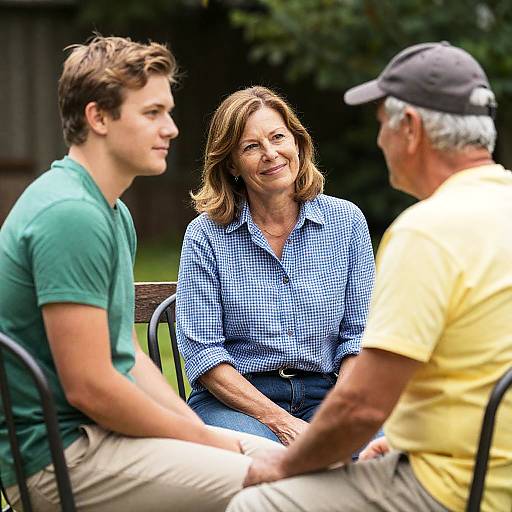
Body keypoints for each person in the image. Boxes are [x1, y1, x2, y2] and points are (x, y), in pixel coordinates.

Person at [227, 42, 512, 512]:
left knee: (255, 504)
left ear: (411, 130)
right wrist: (402, 446)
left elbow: (362, 406)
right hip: (483, 469)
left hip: (459, 487)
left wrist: (281, 466)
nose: (380, 141)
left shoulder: (427, 232)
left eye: (382, 125)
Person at [0, 36, 277, 512]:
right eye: (152, 113)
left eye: (167, 112)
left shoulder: (110, 213)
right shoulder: (71, 214)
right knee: (278, 487)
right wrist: (205, 442)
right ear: (99, 117)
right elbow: (92, 386)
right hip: (59, 457)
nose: (170, 128)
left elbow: (123, 357)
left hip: (99, 437)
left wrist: (205, 437)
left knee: (290, 461)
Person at [176, 86, 375, 445]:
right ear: (232, 163)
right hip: (237, 403)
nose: (271, 153)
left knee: (381, 453)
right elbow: (204, 354)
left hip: (326, 393)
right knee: (269, 459)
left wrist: (337, 414)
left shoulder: (347, 223)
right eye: (251, 146)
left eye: (278, 137)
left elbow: (358, 338)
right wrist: (281, 421)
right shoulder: (205, 236)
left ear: (297, 143)